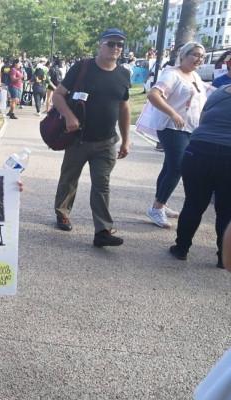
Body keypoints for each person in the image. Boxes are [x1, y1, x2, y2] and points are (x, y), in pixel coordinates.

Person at [52, 28, 131, 247]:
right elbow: (58, 95)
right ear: (100, 44)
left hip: (106, 142)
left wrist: (126, 139)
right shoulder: (82, 68)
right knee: (69, 179)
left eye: (119, 45)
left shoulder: (124, 74)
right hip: (78, 139)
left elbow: (124, 107)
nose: (115, 48)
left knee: (102, 185)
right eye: (111, 43)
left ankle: (103, 231)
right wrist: (68, 116)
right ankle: (62, 212)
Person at [145, 42, 208, 229]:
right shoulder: (172, 74)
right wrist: (172, 113)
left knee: (169, 167)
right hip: (171, 128)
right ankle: (156, 208)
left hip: (189, 128)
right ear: (183, 55)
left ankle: (160, 203)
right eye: (195, 55)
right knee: (177, 167)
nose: (199, 59)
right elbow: (153, 95)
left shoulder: (195, 76)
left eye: (202, 56)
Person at [168, 84, 231, 269]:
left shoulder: (220, 91)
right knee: (227, 209)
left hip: (198, 150)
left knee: (193, 203)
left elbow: (203, 119)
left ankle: (181, 249)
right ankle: (224, 257)